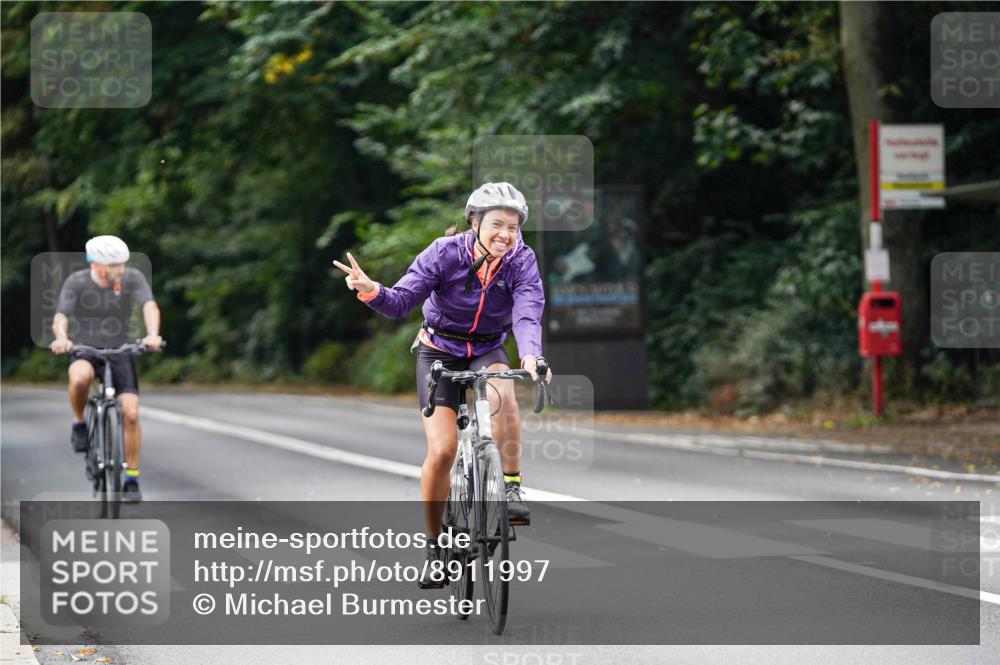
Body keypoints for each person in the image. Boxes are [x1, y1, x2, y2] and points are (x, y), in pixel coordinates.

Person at [334, 182, 551, 589]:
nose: (506, 234)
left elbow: (527, 310)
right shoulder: (444, 253)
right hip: (440, 348)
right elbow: (400, 301)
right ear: (475, 223)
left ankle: (512, 488)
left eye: (514, 227)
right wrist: (371, 291)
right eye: (497, 225)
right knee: (443, 449)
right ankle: (435, 548)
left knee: (504, 395)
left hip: (487, 348)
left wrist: (530, 357)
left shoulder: (522, 260)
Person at [49, 235, 163, 503]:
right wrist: (62, 339)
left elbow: (149, 305)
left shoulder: (132, 279)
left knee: (131, 414)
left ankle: (131, 479)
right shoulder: (77, 282)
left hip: (120, 350)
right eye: (114, 265)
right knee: (80, 378)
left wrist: (153, 334)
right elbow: (61, 316)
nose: (120, 270)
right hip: (85, 349)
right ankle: (79, 423)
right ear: (97, 265)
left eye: (122, 264)